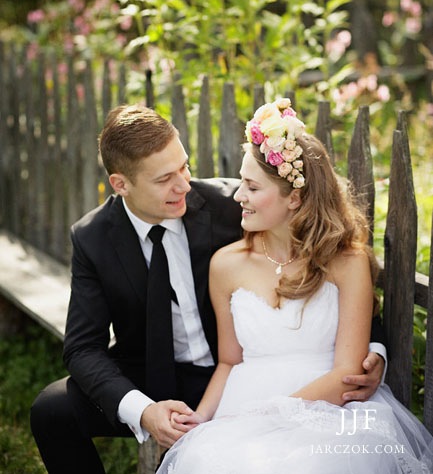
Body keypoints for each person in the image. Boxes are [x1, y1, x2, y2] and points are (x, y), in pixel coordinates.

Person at [30, 102, 386, 474]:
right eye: (164, 178)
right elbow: (83, 349)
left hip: (235, 375)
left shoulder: (233, 205)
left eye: (183, 166)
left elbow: (321, 257)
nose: (183, 184)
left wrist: (373, 348)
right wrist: (144, 410)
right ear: (121, 184)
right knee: (52, 411)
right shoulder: (93, 239)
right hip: (150, 376)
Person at [156, 98, 433, 474]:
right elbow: (229, 361)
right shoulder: (226, 264)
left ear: (295, 198)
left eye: (252, 187)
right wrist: (201, 419)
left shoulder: (347, 262)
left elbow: (347, 373)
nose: (238, 196)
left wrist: (274, 414)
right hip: (242, 407)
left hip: (330, 412)